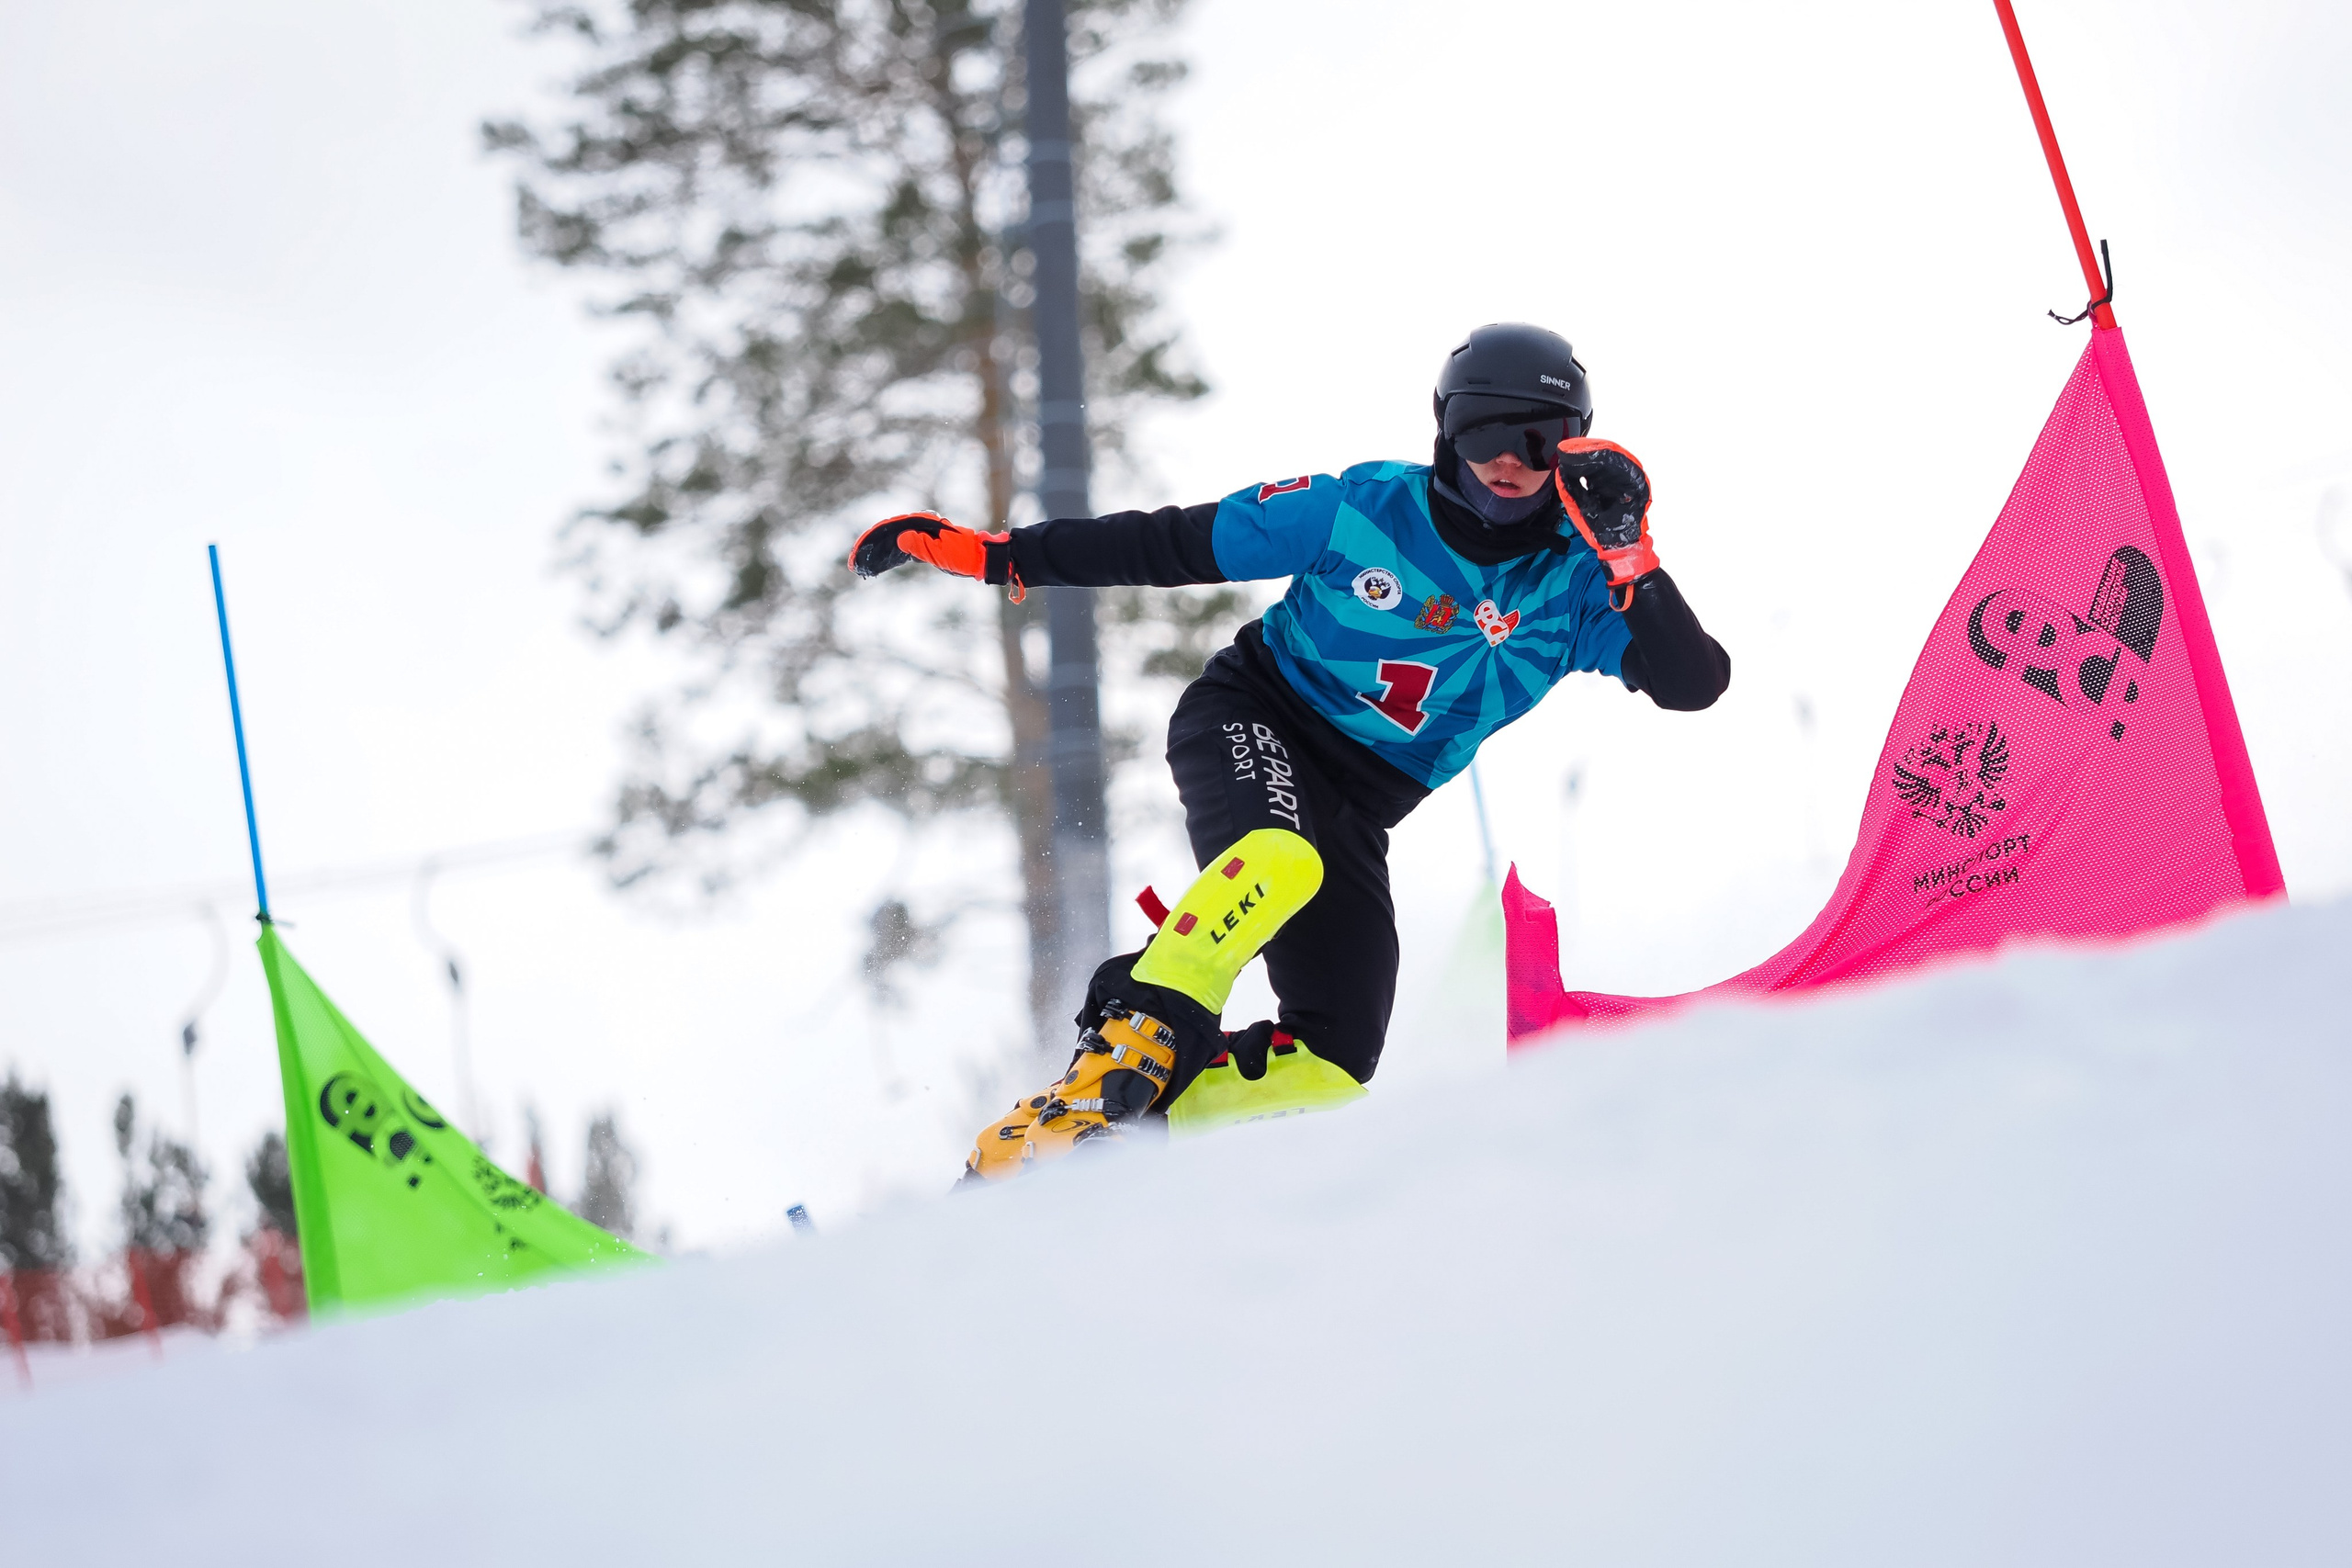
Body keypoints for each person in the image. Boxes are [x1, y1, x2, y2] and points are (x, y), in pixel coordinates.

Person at [850, 322, 1730, 1180]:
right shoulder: (1360, 508)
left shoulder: (1579, 584)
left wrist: (1630, 556)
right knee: (1277, 858)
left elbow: (1693, 681)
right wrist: (1000, 557)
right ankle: (1102, 1071)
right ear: (1444, 426)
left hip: (1366, 803)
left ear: (1576, 454)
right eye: (1485, 428)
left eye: (1540, 440)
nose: (1510, 458)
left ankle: (1123, 1139)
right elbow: (1174, 542)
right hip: (1257, 714)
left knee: (1338, 1058)